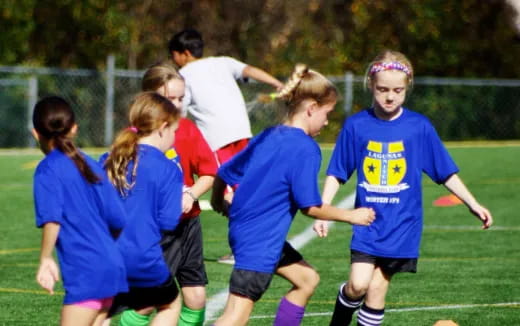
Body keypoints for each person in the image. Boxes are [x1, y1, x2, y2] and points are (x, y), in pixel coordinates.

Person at [313, 50, 493, 326]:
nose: (389, 96)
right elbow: (337, 172)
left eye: (397, 90)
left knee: (376, 289)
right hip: (368, 222)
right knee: (358, 285)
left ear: (407, 88)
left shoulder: (418, 127)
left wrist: (473, 203)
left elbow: (445, 172)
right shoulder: (356, 126)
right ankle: (340, 316)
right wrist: (324, 210)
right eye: (382, 89)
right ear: (371, 86)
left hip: (402, 225)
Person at [210, 64, 376, 326]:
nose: (327, 121)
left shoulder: (268, 135)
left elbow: (225, 173)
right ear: (311, 108)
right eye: (327, 113)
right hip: (260, 240)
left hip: (249, 231)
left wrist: (218, 201)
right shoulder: (305, 148)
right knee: (235, 314)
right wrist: (351, 215)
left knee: (307, 280)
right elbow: (310, 206)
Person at [114, 62, 218, 326]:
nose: (178, 104)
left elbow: (209, 172)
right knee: (150, 302)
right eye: (170, 98)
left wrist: (191, 195)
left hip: (188, 224)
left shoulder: (189, 130)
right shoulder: (134, 138)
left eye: (181, 98)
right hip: (157, 229)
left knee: (196, 297)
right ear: (149, 99)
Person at [169, 28, 285, 264]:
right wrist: (277, 83)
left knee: (228, 195)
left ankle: (244, 249)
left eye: (174, 55)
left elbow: (177, 112)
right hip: (242, 134)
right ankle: (257, 243)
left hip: (216, 139)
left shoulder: (184, 77)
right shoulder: (223, 62)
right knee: (243, 190)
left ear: (184, 53)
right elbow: (249, 70)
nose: (174, 60)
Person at [32, 96, 128, 326]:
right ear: (74, 129)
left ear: (35, 133)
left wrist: (45, 259)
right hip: (113, 266)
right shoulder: (89, 163)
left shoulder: (48, 170)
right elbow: (118, 218)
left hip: (86, 272)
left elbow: (52, 220)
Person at [103, 92, 184, 326]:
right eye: (174, 132)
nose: (174, 138)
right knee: (170, 304)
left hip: (105, 257)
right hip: (143, 259)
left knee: (100, 312)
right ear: (163, 127)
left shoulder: (108, 160)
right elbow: (168, 223)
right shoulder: (168, 169)